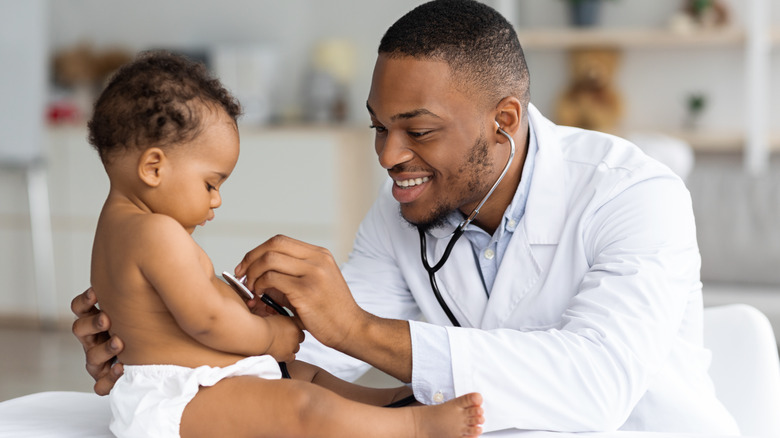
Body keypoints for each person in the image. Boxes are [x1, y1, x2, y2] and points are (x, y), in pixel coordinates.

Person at [72, 1, 739, 435]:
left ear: (502, 121)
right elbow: (310, 346)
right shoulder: (403, 217)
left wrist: (358, 327)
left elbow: (597, 389)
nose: (389, 156)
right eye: (379, 128)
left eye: (417, 130)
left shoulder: (634, 195)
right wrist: (155, 339)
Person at [81, 50, 484, 438]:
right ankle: (413, 429)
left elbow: (180, 308)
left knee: (303, 374)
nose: (216, 199)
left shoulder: (116, 229)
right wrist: (271, 336)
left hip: (196, 383)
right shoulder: (157, 232)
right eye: (210, 183)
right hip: (183, 397)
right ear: (153, 167)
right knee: (300, 406)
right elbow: (206, 320)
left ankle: (387, 402)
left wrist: (243, 310)